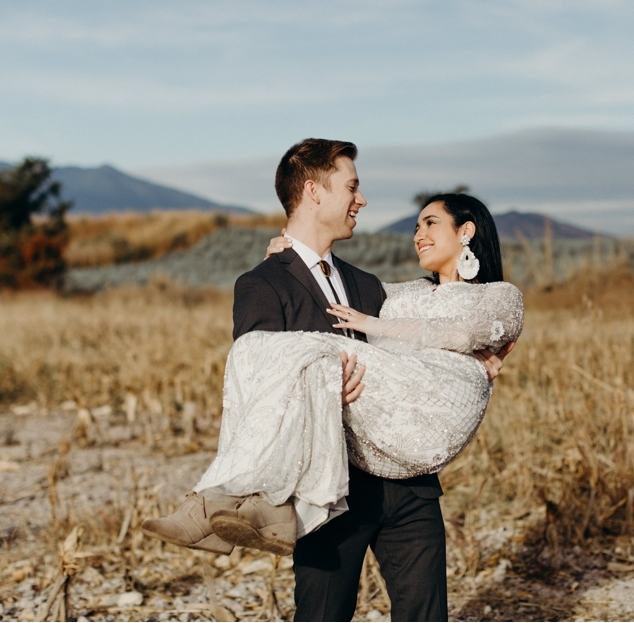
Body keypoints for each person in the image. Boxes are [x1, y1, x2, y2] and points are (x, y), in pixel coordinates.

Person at [143, 138, 521, 621]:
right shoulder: (263, 283)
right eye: (352, 187)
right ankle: (217, 499)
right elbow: (258, 371)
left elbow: (431, 334)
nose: (361, 200)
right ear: (313, 192)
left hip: (410, 489)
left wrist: (479, 357)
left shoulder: (369, 287)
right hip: (328, 488)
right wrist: (321, 390)